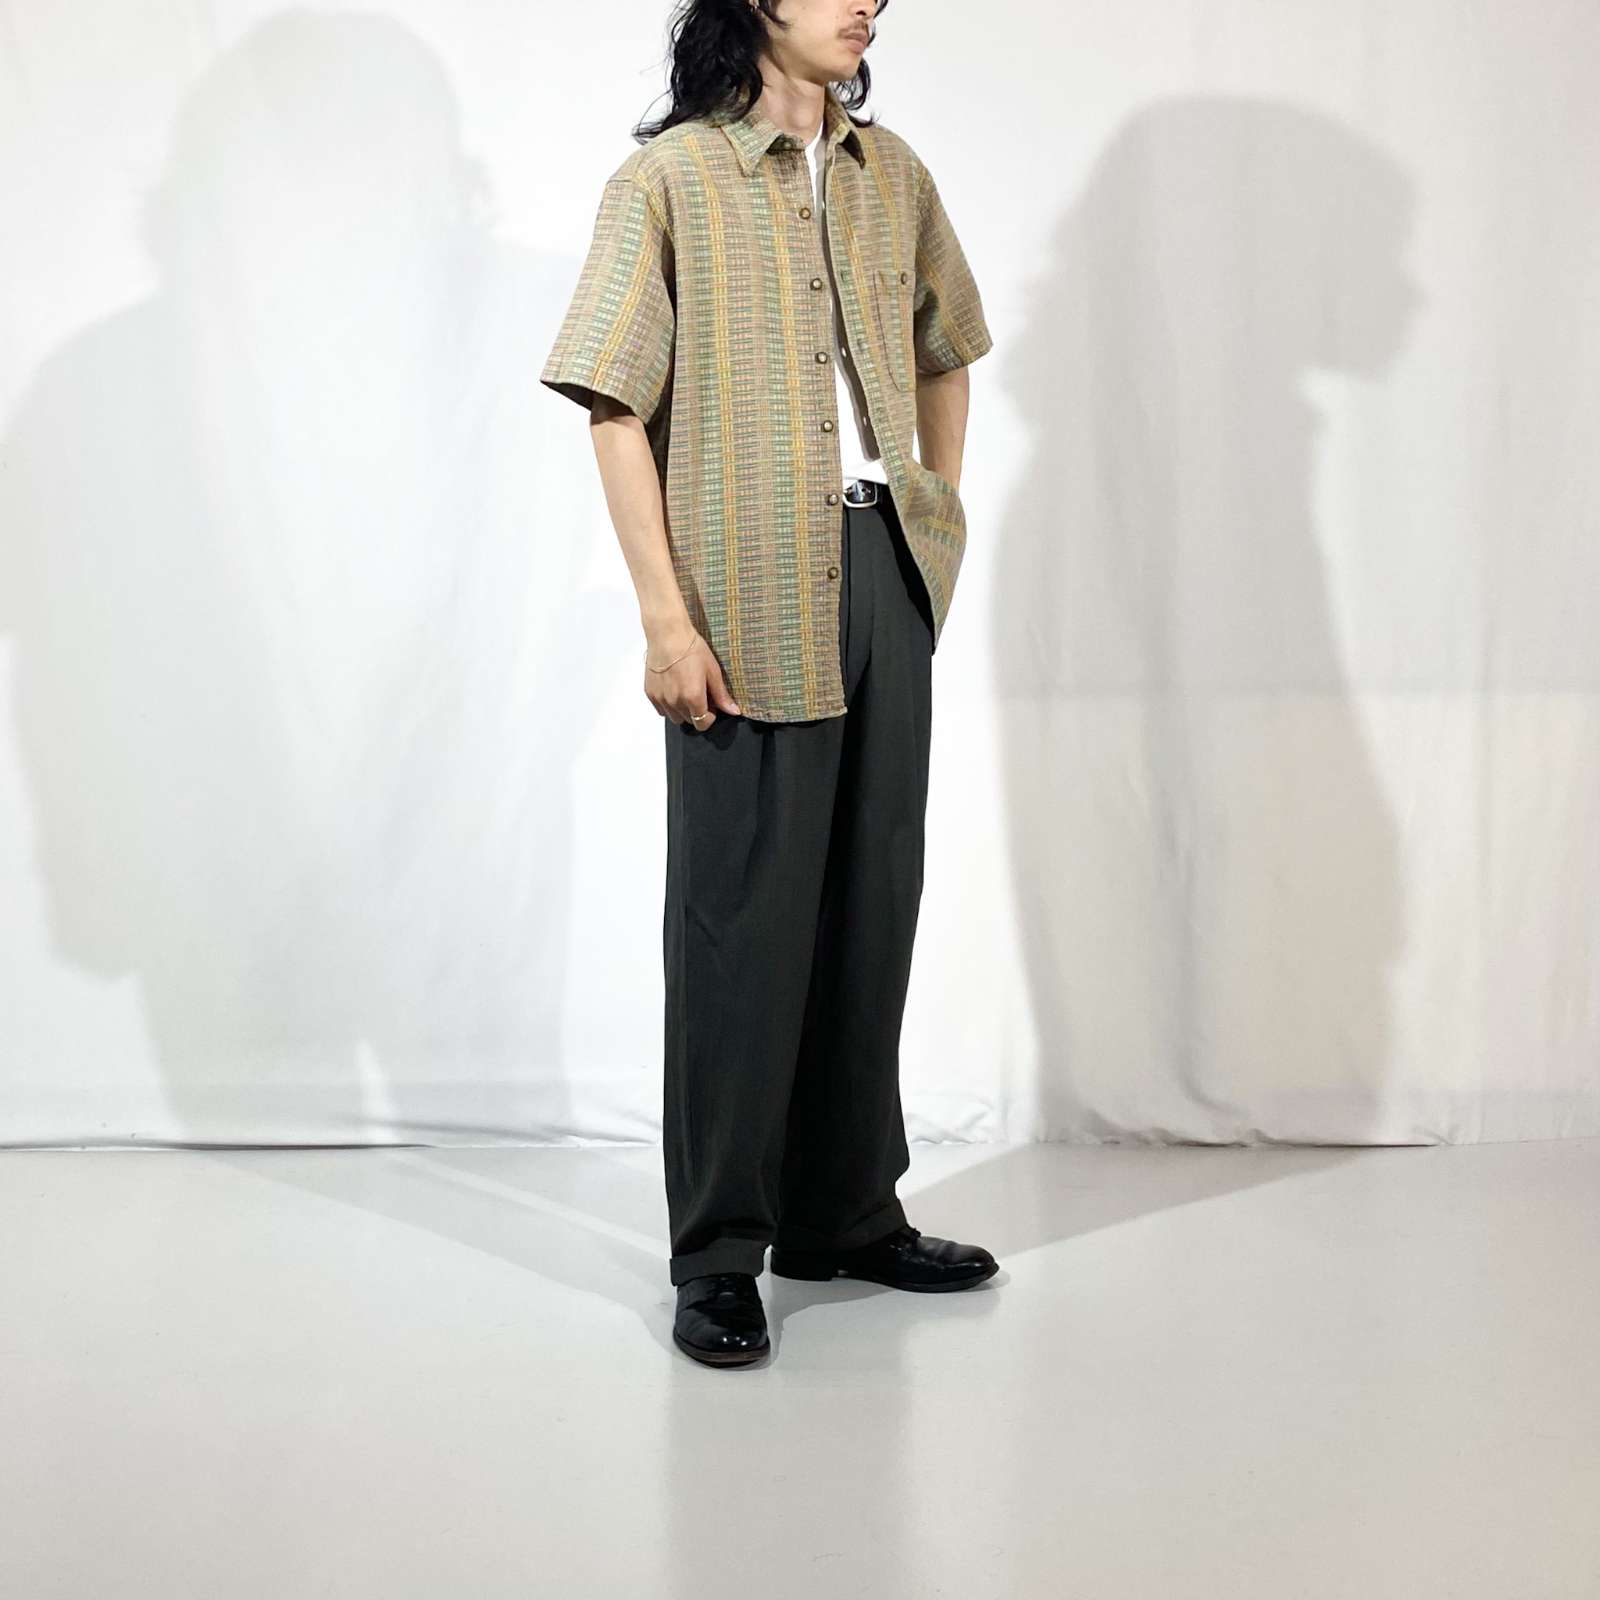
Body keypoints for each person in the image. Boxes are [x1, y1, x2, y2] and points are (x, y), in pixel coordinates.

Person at [541, 0, 999, 1367]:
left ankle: (846, 1213)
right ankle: (719, 1252)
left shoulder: (893, 173)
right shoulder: (669, 181)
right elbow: (615, 406)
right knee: (740, 922)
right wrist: (663, 619)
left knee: (873, 901)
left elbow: (946, 346)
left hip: (881, 569)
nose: (866, 3)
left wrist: (931, 519)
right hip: (741, 590)